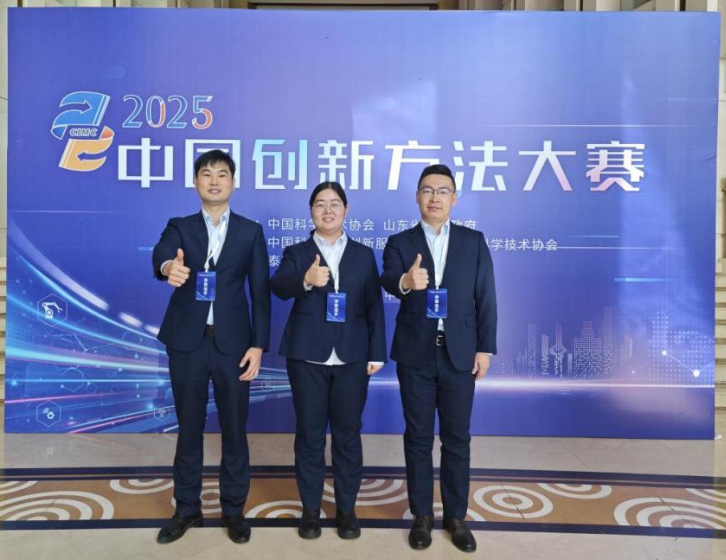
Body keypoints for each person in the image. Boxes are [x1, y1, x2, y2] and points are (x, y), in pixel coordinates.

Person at [152, 149, 270, 544]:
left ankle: (233, 510)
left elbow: (260, 294)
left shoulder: (250, 231)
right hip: (186, 342)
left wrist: (258, 345)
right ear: (196, 182)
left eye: (222, 174)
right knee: (189, 429)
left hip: (233, 346)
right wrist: (169, 267)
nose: (214, 180)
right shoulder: (180, 226)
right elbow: (162, 254)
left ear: (233, 182)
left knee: (235, 429)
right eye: (206, 174)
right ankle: (186, 509)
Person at [381, 164, 497, 553]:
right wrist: (405, 282)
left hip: (459, 354)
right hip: (415, 353)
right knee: (417, 437)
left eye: (442, 191)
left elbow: (486, 297)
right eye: (427, 190)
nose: (435, 198)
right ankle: (421, 516)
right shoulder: (400, 242)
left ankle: (456, 517)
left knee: (457, 437)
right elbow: (389, 279)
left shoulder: (473, 241)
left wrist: (485, 347)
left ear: (454, 198)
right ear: (417, 196)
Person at [270, 181, 387, 540]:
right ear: (311, 211)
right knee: (309, 435)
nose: (328, 210)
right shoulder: (297, 252)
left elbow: (374, 305)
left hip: (353, 355)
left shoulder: (363, 254)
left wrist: (377, 352)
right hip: (307, 356)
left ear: (346, 211)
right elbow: (278, 286)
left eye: (335, 204)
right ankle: (310, 511)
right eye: (320, 204)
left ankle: (347, 510)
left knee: (348, 435)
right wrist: (305, 280)